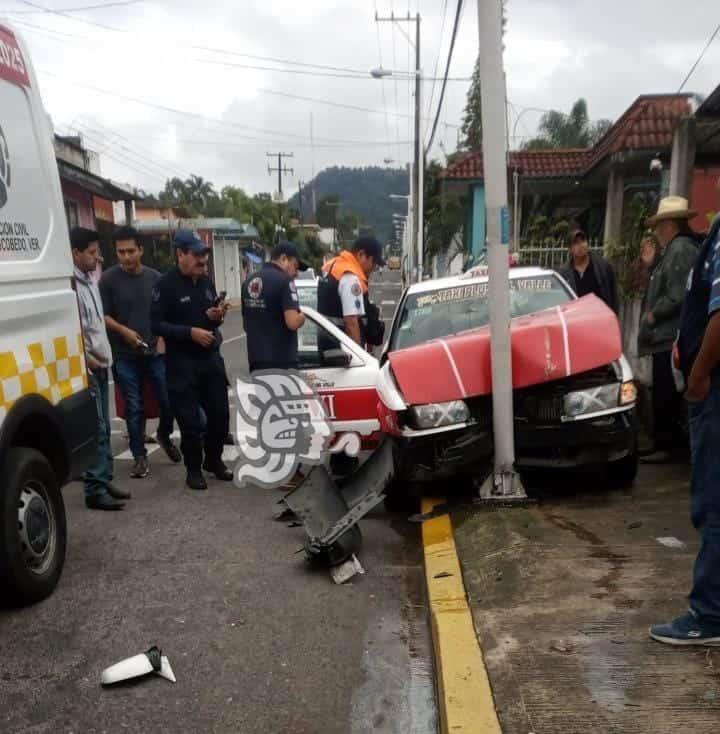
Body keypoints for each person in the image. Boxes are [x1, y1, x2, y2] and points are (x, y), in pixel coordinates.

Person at [649, 208, 720, 645]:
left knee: (712, 500)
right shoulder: (703, 243)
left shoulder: (684, 251)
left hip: (711, 389)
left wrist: (698, 374)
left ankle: (709, 613)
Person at [150, 230, 232, 491]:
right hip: (181, 363)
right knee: (191, 423)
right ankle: (194, 469)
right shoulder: (165, 285)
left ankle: (214, 460)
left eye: (203, 254)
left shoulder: (206, 283)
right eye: (196, 254)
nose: (202, 260)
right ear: (180, 254)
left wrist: (215, 316)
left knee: (220, 415)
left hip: (209, 360)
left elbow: (209, 319)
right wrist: (189, 333)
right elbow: (155, 325)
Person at [100, 226, 181, 479]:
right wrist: (123, 331)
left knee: (168, 400)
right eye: (120, 252)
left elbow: (166, 314)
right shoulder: (108, 280)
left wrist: (163, 341)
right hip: (124, 355)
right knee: (134, 407)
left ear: (141, 250)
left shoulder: (155, 278)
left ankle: (164, 435)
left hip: (154, 352)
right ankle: (139, 457)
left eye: (130, 251)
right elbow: (102, 316)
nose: (125, 257)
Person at [638, 196, 700, 464]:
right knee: (663, 392)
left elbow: (677, 294)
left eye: (660, 225)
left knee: (667, 394)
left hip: (669, 336)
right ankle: (664, 442)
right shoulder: (674, 250)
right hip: (664, 337)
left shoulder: (681, 250)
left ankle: (669, 445)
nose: (657, 231)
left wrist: (653, 314)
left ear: (671, 225)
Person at [71, 227, 127, 510]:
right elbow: (74, 331)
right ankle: (95, 489)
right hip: (89, 368)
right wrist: (87, 361)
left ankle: (104, 479)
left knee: (104, 425)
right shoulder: (71, 288)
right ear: (75, 253)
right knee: (98, 429)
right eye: (91, 253)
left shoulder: (91, 281)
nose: (97, 257)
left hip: (103, 364)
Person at [242, 242, 308, 373]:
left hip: (256, 361)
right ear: (284, 259)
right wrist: (302, 316)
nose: (296, 273)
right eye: (295, 266)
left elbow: (246, 325)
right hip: (282, 363)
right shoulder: (285, 281)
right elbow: (293, 323)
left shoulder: (249, 281)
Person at [317, 236, 385, 348]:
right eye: (373, 262)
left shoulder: (333, 266)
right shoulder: (350, 277)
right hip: (343, 353)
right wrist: (359, 356)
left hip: (328, 346)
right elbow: (351, 323)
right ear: (361, 255)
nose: (374, 268)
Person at [558, 228, 619, 313]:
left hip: (600, 317)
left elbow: (613, 297)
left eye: (583, 240)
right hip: (577, 319)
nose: (581, 245)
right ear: (570, 249)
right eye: (576, 243)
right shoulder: (564, 273)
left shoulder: (603, 267)